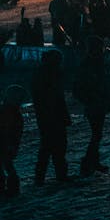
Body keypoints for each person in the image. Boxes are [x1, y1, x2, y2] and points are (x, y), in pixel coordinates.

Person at [74, 36, 110, 176]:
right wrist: (91, 98)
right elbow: (81, 87)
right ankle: (88, 162)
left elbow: (105, 80)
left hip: (99, 101)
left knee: (97, 134)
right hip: (94, 102)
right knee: (96, 134)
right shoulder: (89, 64)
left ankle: (93, 161)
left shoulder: (97, 62)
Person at [31, 49, 72, 185]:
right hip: (51, 116)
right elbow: (53, 99)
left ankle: (45, 176)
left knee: (50, 147)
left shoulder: (44, 74)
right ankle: (56, 175)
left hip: (48, 117)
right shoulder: (49, 76)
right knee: (53, 147)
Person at [0, 85, 24, 197]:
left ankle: (10, 188)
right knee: (8, 166)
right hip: (6, 144)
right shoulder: (12, 113)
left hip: (6, 144)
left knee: (7, 165)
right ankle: (12, 189)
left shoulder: (9, 112)